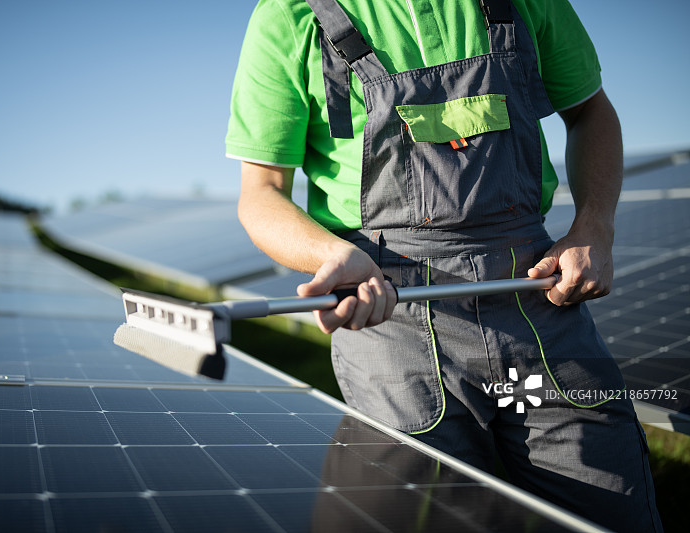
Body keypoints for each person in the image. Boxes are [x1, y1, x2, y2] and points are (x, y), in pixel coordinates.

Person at [226, 1, 662, 530]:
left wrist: (594, 227)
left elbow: (590, 109)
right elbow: (262, 194)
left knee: (608, 505)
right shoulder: (291, 16)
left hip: (538, 301)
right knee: (418, 517)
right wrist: (332, 255)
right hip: (390, 314)